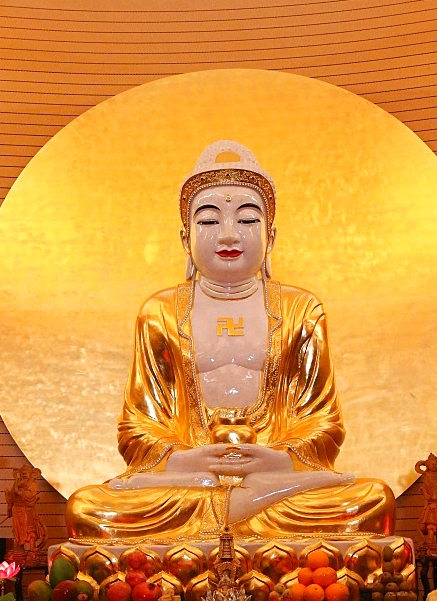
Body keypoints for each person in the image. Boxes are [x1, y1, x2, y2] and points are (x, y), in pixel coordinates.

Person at [66, 141, 395, 542]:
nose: (228, 235)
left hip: (274, 479)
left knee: (370, 502)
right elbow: (139, 425)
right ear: (185, 238)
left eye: (247, 221)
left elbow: (322, 421)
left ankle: (234, 511)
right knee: (89, 509)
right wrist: (185, 460)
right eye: (208, 222)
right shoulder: (160, 312)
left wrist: (278, 460)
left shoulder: (300, 309)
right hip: (187, 482)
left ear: (270, 236)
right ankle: (233, 510)